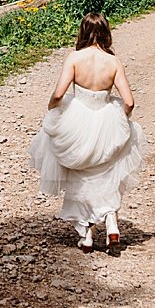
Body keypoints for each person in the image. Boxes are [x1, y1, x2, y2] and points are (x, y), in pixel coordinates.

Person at [28, 12, 147, 249]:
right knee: (106, 174)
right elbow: (130, 102)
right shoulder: (113, 62)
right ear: (106, 32)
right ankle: (111, 221)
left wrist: (52, 108)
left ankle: (87, 235)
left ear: (82, 31)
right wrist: (119, 119)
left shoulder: (74, 58)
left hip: (78, 122)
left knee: (80, 177)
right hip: (106, 118)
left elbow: (59, 93)